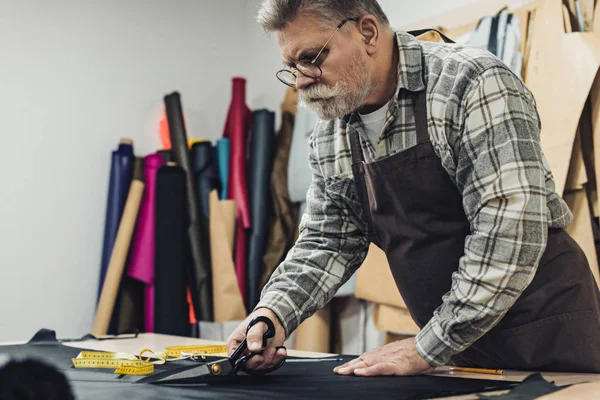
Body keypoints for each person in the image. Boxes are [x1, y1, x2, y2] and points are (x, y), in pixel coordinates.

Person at [226, 0, 600, 375]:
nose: (301, 80)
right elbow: (329, 239)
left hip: (546, 336)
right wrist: (272, 312)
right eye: (291, 67)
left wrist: (428, 345)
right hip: (455, 349)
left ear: (368, 32)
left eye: (311, 57)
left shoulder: (471, 82)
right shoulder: (333, 131)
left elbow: (510, 231)